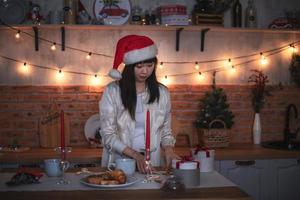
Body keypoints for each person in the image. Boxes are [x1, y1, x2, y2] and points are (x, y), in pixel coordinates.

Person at [99, 35, 180, 174]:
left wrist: (169, 150)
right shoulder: (112, 91)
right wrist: (136, 156)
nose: (145, 71)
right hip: (120, 162)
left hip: (151, 163)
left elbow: (166, 131)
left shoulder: (162, 93)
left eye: (150, 65)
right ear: (130, 67)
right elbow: (108, 134)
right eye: (139, 66)